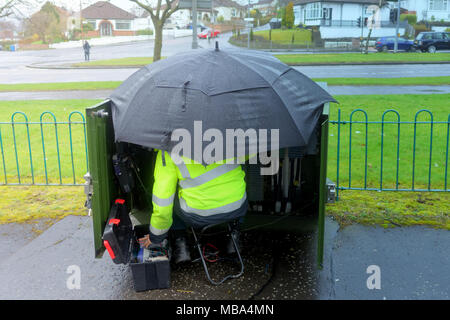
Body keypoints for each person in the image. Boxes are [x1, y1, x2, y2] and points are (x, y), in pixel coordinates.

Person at [139, 150, 248, 264]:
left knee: (169, 195)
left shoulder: (167, 150)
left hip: (198, 214)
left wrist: (156, 236)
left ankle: (181, 246)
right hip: (237, 208)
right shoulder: (227, 134)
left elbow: (163, 202)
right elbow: (249, 152)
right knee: (237, 180)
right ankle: (234, 240)